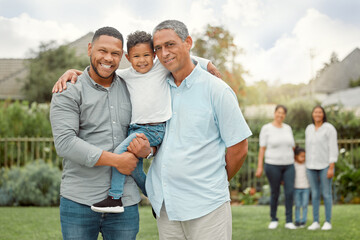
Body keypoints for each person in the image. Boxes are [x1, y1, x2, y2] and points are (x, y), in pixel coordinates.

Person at [52, 30, 217, 214]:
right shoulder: (125, 76)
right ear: (128, 58)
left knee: (119, 153)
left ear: (154, 55)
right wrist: (73, 72)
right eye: (136, 56)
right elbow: (100, 70)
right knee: (135, 170)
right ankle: (157, 200)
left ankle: (114, 198)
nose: (142, 60)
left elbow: (180, 57)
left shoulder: (159, 69)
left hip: (154, 129)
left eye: (147, 55)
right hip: (135, 131)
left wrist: (207, 64)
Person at [144, 20, 252, 240]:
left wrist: (215, 181)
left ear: (188, 42)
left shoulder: (217, 90)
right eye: (158, 48)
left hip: (207, 206)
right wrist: (81, 73)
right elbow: (122, 71)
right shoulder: (156, 85)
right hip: (167, 207)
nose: (164, 53)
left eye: (170, 45)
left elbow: (239, 148)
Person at [50, 26, 152, 240]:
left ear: (122, 56)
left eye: (115, 53)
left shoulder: (132, 87)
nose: (108, 58)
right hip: (79, 201)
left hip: (125, 202)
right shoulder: (68, 91)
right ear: (89, 49)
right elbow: (65, 143)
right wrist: (116, 160)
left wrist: (148, 149)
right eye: (102, 51)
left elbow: (166, 60)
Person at [255, 105, 297, 230]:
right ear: (274, 113)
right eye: (278, 112)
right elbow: (262, 149)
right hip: (272, 165)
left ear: (285, 115)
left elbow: (293, 147)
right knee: (275, 193)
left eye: (283, 113)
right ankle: (273, 219)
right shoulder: (266, 128)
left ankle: (289, 220)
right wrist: (259, 167)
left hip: (289, 165)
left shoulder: (288, 128)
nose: (280, 115)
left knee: (289, 193)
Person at [305, 105, 338, 231]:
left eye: (320, 112)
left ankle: (328, 221)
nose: (317, 114)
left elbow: (333, 148)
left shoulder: (329, 128)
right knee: (314, 194)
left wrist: (331, 167)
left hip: (325, 166)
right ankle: (315, 221)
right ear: (312, 114)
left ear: (323, 114)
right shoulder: (309, 129)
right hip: (311, 166)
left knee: (326, 194)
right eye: (315, 112)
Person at [293, 146, 310, 228]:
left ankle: (303, 221)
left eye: (305, 156)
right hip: (296, 188)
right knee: (297, 205)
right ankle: (297, 220)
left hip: (306, 187)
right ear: (296, 156)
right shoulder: (294, 165)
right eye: (302, 156)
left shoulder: (307, 165)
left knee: (305, 205)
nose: (304, 158)